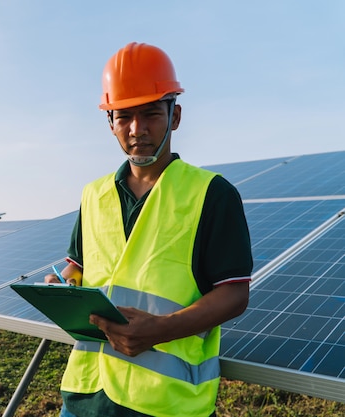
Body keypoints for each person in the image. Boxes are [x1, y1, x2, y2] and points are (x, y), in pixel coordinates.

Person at [45, 42, 253, 417]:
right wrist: (63, 286)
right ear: (110, 123)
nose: (137, 129)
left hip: (165, 403)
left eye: (151, 113)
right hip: (85, 396)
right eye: (123, 116)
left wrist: (161, 328)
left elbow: (233, 294)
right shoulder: (94, 195)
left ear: (175, 115)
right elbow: (76, 267)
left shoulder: (212, 194)